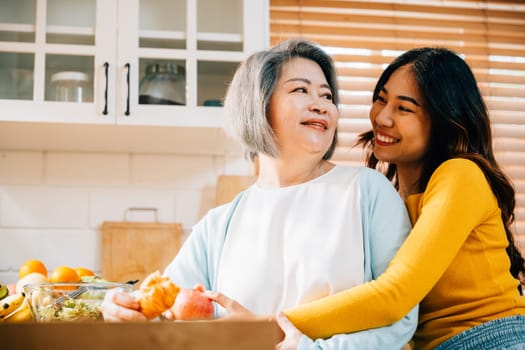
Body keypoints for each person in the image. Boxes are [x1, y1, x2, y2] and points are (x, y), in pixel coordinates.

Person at [101, 39, 418, 349]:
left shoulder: (369, 192)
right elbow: (162, 317)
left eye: (327, 95)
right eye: (300, 89)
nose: (322, 104)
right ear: (258, 104)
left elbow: (401, 321)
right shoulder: (219, 224)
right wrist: (121, 309)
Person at [281, 47, 525, 350]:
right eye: (381, 99)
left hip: (491, 341)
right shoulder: (386, 199)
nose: (382, 117)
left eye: (404, 109)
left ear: (444, 119)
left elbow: (394, 295)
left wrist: (271, 326)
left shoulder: (460, 175)